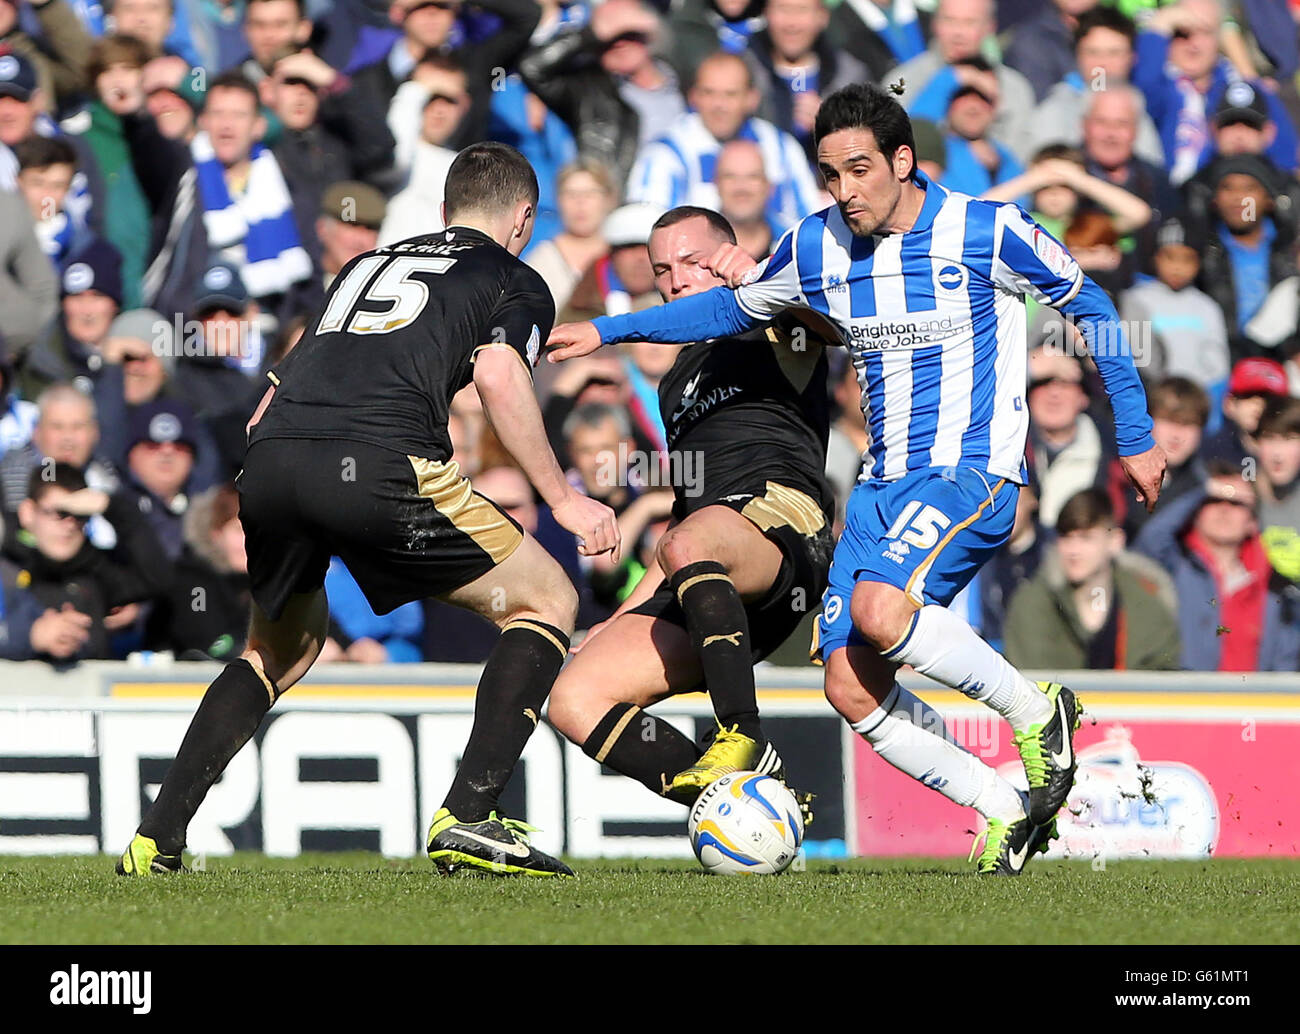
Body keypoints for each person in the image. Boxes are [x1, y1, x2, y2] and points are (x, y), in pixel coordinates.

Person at [548, 83, 1165, 875]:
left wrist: (1135, 435)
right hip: (878, 490)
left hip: (968, 467)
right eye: (829, 175)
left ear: (903, 162)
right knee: (849, 684)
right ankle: (1003, 807)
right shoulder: (815, 245)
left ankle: (1037, 712)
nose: (845, 191)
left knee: (879, 612)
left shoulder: (986, 228)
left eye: (859, 170)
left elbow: (1093, 306)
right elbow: (723, 313)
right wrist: (607, 327)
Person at [116, 142, 619, 879]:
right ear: (524, 218)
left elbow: (273, 392)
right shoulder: (516, 276)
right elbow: (503, 374)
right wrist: (565, 498)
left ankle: (155, 837)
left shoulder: (366, 265)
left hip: (275, 459)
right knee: (545, 599)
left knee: (276, 649)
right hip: (384, 463)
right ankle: (470, 816)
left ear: (446, 212)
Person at [548, 204, 835, 806]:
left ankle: (741, 733)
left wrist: (761, 279)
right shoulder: (675, 380)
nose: (674, 278)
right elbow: (681, 521)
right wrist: (618, 619)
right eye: (660, 269)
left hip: (783, 525)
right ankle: (749, 798)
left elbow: (834, 326)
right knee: (575, 696)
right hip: (705, 569)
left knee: (692, 544)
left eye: (691, 261)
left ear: (725, 254)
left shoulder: (773, 317)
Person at [1003, 487, 1180, 672]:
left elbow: (1162, 673)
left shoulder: (1146, 599)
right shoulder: (1033, 603)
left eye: (1086, 538)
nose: (1074, 550)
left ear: (1115, 541)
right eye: (1066, 537)